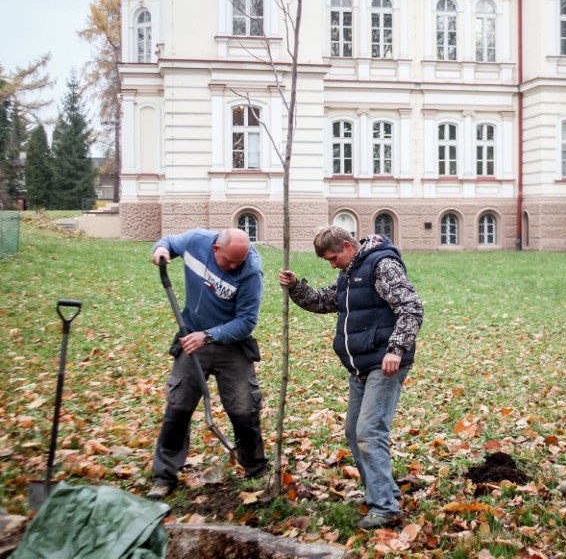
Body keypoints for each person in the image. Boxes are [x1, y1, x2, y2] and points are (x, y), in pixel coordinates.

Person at [279, 226, 424, 529]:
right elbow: (323, 301)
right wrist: (295, 287)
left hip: (384, 364)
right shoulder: (349, 271)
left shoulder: (382, 265)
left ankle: (385, 509)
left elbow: (411, 307)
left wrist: (396, 349)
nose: (332, 264)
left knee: (369, 433)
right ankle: (382, 493)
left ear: (347, 246)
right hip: (360, 366)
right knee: (354, 434)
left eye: (333, 258)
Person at [147, 228, 268, 500]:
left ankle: (256, 469)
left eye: (240, 260)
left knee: (244, 409)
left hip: (231, 345)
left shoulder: (251, 270)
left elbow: (247, 321)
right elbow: (168, 242)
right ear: (216, 249)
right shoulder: (196, 242)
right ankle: (164, 476)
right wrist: (160, 250)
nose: (235, 266)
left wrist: (209, 336)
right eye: (229, 261)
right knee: (177, 408)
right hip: (192, 338)